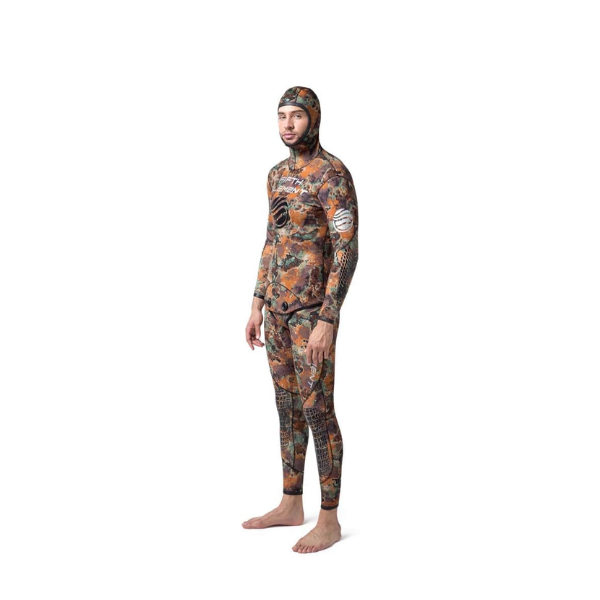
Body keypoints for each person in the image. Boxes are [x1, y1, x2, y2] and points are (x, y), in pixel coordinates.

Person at [243, 86, 359, 553]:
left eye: (296, 116)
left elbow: (347, 250)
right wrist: (256, 301)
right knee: (287, 407)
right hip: (275, 311)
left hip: (313, 314)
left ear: (314, 119)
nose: (288, 125)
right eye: (281, 116)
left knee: (317, 410)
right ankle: (291, 503)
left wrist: (329, 317)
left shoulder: (332, 174)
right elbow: (273, 239)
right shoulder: (277, 175)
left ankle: (329, 519)